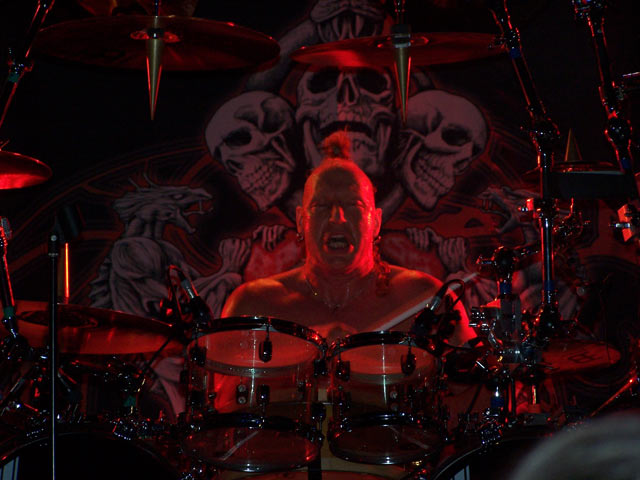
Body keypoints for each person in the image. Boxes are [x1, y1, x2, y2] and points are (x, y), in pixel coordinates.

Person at [221, 131, 475, 345]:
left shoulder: (427, 302)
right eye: (321, 206)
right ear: (300, 221)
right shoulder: (253, 307)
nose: (337, 218)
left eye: (353, 206)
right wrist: (303, 348)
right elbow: (222, 389)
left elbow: (471, 384)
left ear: (376, 222)